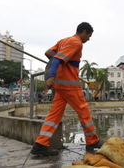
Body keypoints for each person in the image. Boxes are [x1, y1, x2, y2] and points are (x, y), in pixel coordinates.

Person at [31, 22, 103, 156]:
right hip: (69, 84)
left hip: (60, 85)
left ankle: (40, 144)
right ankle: (92, 141)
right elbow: (57, 59)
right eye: (89, 36)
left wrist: (64, 63)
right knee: (83, 109)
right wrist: (52, 75)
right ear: (84, 32)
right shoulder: (76, 43)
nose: (88, 39)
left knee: (55, 114)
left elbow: (49, 54)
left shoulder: (63, 41)